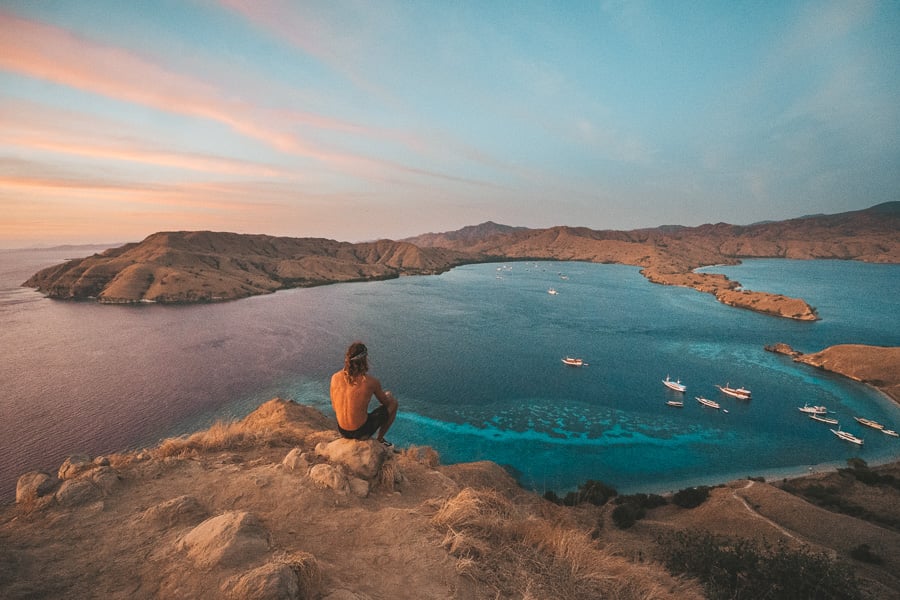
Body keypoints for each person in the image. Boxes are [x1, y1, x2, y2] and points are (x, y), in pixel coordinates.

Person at [330, 341, 398, 446]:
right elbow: (386, 403)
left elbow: (335, 407)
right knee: (393, 403)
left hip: (343, 430)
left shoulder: (335, 378)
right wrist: (388, 395)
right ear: (364, 359)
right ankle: (380, 439)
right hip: (361, 432)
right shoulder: (371, 382)